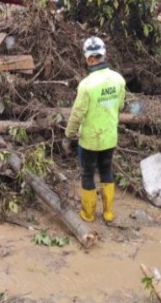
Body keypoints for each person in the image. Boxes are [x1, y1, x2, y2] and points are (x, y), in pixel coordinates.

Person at [63, 37, 126, 223]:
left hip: (89, 140)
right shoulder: (119, 79)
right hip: (109, 137)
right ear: (104, 54)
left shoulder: (86, 85)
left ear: (89, 59)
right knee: (106, 170)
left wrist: (68, 135)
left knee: (88, 173)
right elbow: (120, 106)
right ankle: (108, 213)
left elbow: (77, 114)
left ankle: (88, 214)